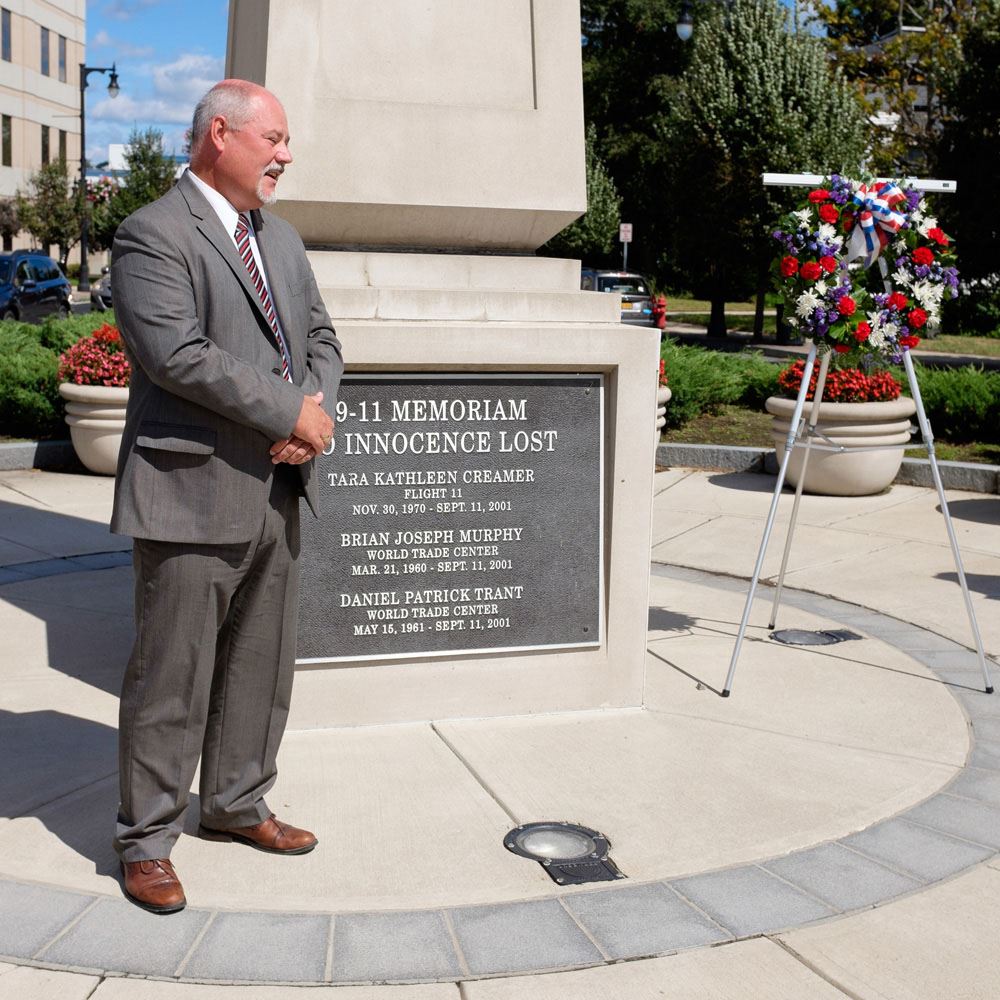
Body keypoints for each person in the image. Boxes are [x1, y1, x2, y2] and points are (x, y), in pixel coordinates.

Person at [109, 79, 343, 914]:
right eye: (274, 138)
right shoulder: (152, 234)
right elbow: (179, 355)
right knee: (172, 674)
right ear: (220, 134)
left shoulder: (278, 239)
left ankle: (237, 804)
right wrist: (291, 411)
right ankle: (146, 842)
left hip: (278, 485)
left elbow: (320, 336)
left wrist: (311, 413)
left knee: (259, 665)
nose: (286, 154)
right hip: (189, 489)